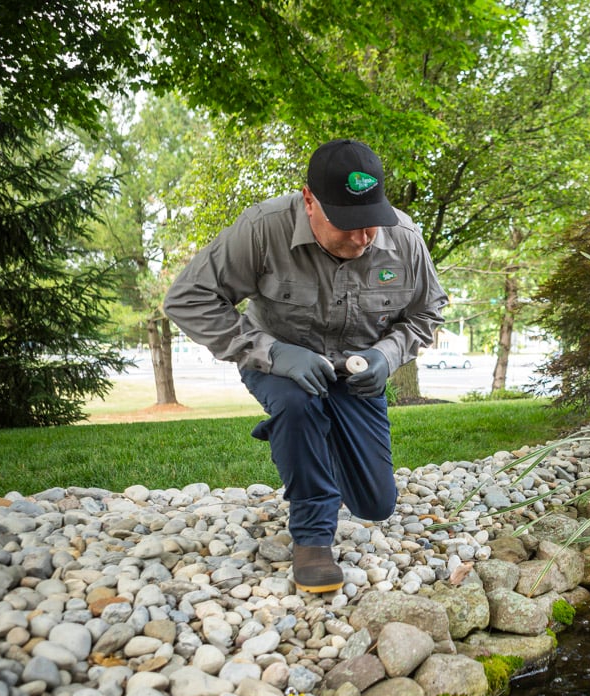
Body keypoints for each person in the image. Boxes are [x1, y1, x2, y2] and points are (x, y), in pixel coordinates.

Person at [163, 139, 447, 593]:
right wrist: (272, 352)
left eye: (370, 221)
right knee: (298, 405)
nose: (362, 238)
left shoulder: (405, 239)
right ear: (308, 199)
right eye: (347, 224)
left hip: (355, 373)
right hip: (278, 361)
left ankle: (292, 432)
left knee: (375, 504)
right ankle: (311, 539)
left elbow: (428, 313)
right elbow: (186, 299)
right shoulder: (261, 228)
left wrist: (386, 356)